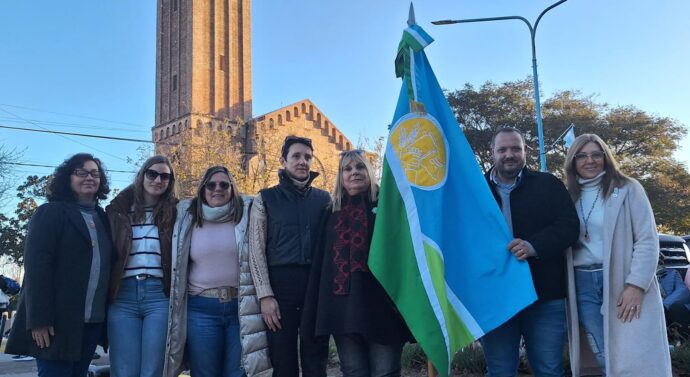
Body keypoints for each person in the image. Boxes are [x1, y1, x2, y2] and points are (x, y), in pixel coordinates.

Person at [564, 133, 672, 376]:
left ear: (605, 157)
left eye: (596, 154)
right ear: (573, 161)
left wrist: (636, 284)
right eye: (581, 156)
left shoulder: (628, 189)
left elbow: (647, 239)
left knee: (631, 354)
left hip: (621, 279)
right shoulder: (567, 196)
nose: (589, 160)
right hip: (582, 283)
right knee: (602, 352)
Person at [303, 150, 413, 377]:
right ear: (340, 177)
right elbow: (322, 268)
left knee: (385, 371)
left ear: (370, 171)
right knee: (353, 371)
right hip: (344, 312)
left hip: (384, 308)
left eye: (360, 167)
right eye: (348, 169)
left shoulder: (389, 209)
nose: (354, 173)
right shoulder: (330, 214)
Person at [480, 128, 580, 377]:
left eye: (515, 148)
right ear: (492, 153)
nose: (509, 154)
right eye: (502, 149)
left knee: (549, 369)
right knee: (500, 370)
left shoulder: (548, 184)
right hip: (494, 296)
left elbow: (569, 227)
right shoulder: (475, 192)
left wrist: (533, 246)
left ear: (526, 151)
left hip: (543, 294)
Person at [5, 153, 113, 377]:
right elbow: (37, 269)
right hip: (56, 322)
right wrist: (39, 321)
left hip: (92, 321)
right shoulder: (51, 212)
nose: (89, 177)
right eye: (81, 172)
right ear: (68, 178)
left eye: (95, 173)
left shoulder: (103, 218)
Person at [164, 166, 271, 377]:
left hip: (241, 308)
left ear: (232, 188)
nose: (217, 189)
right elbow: (150, 196)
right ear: (203, 188)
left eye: (224, 184)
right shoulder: (186, 216)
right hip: (201, 309)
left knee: (238, 373)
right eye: (211, 185)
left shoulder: (247, 214)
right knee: (205, 373)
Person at [249, 135, 331, 377]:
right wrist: (265, 295)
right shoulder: (265, 198)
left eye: (307, 157)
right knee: (282, 361)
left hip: (314, 286)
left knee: (316, 358)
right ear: (284, 160)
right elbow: (255, 250)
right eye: (296, 156)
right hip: (279, 288)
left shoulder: (324, 199)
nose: (302, 161)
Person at [106, 155, 177, 377]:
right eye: (152, 174)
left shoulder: (178, 212)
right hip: (123, 294)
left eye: (165, 176)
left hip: (159, 295)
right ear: (142, 175)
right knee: (124, 369)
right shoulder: (117, 212)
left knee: (153, 369)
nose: (158, 180)